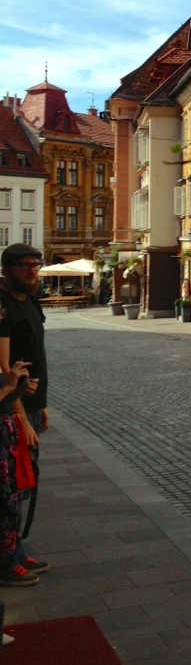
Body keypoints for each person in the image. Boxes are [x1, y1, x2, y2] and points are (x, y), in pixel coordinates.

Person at [0, 243, 49, 578]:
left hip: (30, 407)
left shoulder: (30, 301)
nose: (32, 271)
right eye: (24, 266)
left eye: (36, 265)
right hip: (11, 409)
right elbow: (5, 370)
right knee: (10, 490)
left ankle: (16, 549)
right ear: (7, 269)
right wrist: (20, 415)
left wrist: (41, 406)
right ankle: (8, 560)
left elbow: (37, 353)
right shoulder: (2, 307)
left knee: (22, 485)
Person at [0, 359, 39, 587]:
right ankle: (6, 564)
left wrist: (18, 391)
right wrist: (8, 387)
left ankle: (13, 556)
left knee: (10, 504)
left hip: (5, 442)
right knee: (4, 507)